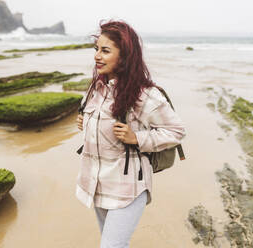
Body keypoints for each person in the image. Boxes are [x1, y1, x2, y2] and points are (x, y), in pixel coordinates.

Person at [75, 20, 186, 248]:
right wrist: (85, 122)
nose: (97, 56)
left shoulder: (145, 95)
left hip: (128, 187)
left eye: (105, 51)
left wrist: (138, 138)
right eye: (96, 49)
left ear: (124, 56)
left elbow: (176, 131)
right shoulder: (96, 88)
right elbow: (99, 125)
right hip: (97, 182)